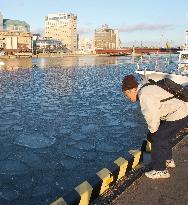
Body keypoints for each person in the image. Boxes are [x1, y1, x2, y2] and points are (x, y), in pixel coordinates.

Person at [122, 74, 188, 179]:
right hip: (181, 111)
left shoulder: (144, 95)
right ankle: (167, 160)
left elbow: (152, 115)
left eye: (126, 94)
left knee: (157, 138)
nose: (127, 98)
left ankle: (160, 170)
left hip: (178, 114)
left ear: (132, 90)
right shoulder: (146, 87)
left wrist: (153, 132)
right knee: (163, 137)